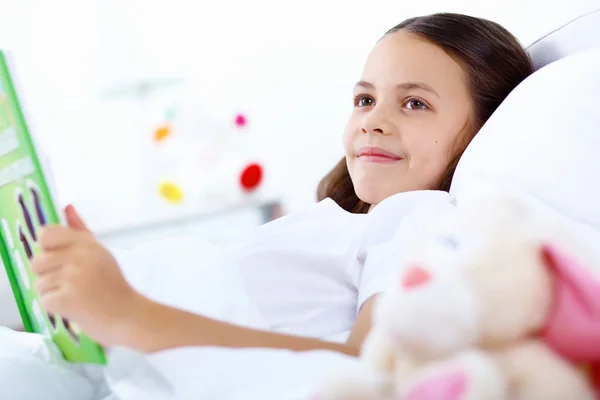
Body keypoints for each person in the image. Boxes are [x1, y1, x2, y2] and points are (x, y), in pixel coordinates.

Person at [29, 13, 534, 359]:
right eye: (364, 99)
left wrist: (130, 315)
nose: (372, 122)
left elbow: (369, 364)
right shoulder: (350, 224)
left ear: (485, 131)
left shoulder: (422, 218)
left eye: (414, 103)